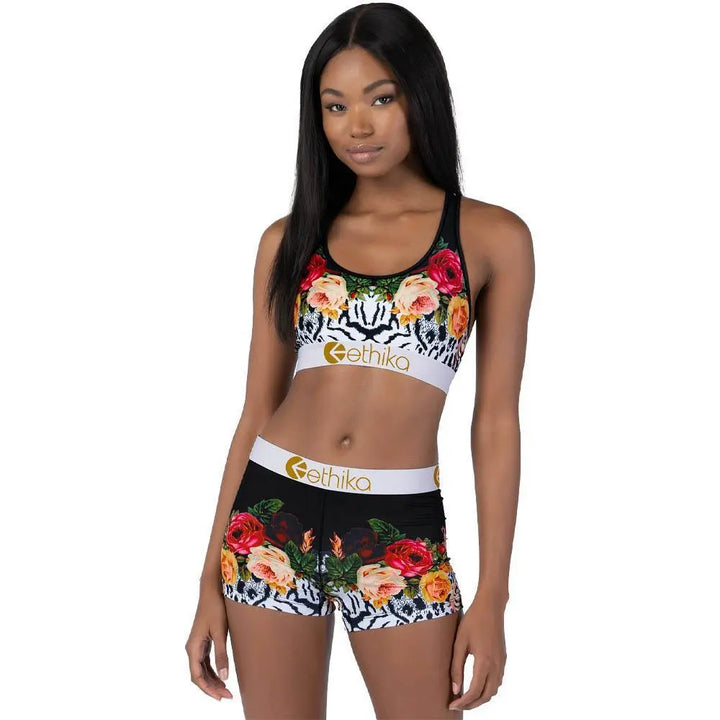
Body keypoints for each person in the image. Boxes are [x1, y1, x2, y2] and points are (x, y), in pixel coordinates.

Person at [185, 3, 534, 717]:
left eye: (380, 98)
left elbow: (495, 423)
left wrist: (493, 596)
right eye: (335, 105)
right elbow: (256, 410)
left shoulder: (491, 237)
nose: (358, 127)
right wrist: (206, 582)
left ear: (421, 96)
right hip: (270, 516)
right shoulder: (289, 239)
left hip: (396, 527)